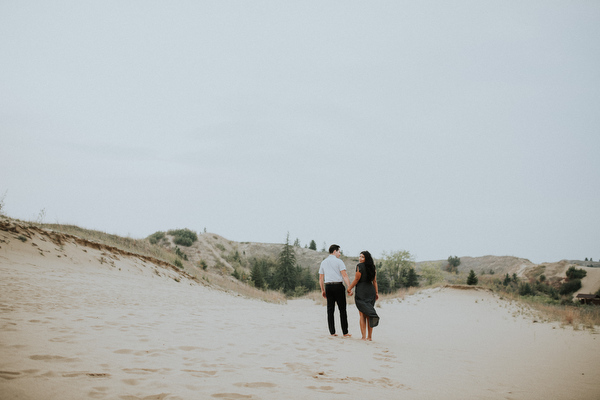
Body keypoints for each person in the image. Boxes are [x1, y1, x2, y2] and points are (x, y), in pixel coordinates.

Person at [319, 244, 352, 337]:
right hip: (338, 286)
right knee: (342, 309)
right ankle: (345, 332)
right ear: (334, 251)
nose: (340, 254)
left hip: (328, 286)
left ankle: (332, 332)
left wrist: (322, 290)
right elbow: (344, 275)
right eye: (339, 252)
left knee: (330, 310)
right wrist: (349, 287)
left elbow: (321, 278)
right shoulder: (339, 262)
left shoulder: (323, 262)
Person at [347, 251, 379, 341]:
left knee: (362, 314)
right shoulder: (372, 267)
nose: (360, 258)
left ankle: (364, 337)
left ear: (366, 258)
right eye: (360, 256)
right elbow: (374, 281)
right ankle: (370, 337)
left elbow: (357, 279)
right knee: (369, 314)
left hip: (362, 291)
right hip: (371, 291)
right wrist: (376, 292)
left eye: (362, 257)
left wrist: (349, 288)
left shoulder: (359, 266)